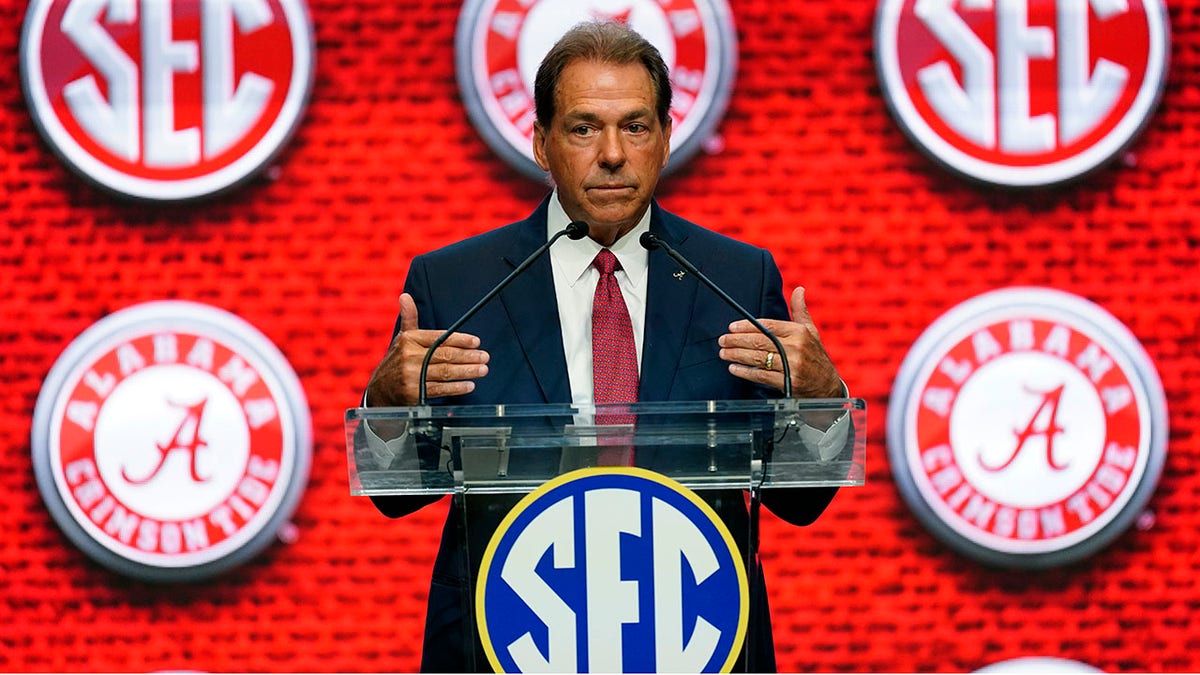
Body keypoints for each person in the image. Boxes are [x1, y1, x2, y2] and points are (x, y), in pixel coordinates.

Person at [365, 20, 847, 673]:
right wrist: (386, 402)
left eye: (637, 126)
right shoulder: (457, 283)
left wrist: (821, 399)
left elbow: (799, 500)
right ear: (541, 142)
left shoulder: (736, 278)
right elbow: (392, 493)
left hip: (698, 637)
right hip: (507, 633)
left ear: (668, 138)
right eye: (584, 127)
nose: (613, 153)